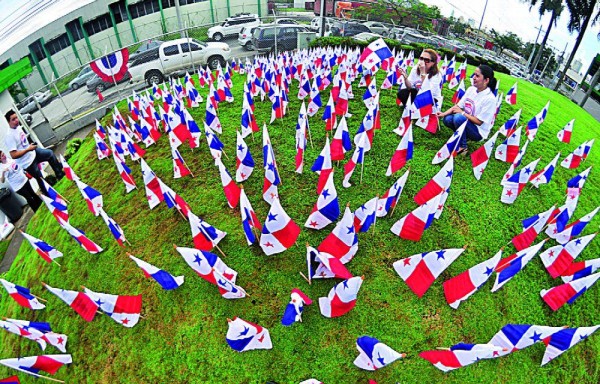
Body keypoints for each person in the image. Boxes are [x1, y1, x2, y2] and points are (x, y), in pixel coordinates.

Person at [437, 65, 497, 156]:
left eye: (477, 76)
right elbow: (457, 106)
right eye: (474, 75)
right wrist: (442, 114)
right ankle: (462, 136)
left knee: (458, 118)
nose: (473, 78)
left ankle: (463, 147)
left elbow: (479, 122)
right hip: (466, 122)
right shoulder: (471, 89)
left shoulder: (490, 99)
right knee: (447, 119)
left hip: (478, 131)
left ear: (486, 80)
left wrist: (462, 113)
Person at [4, 110, 65, 195]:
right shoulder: (9, 136)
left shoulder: (18, 127)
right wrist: (28, 149)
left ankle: (60, 175)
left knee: (50, 154)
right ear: (8, 122)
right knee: (40, 178)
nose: (17, 120)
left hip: (33, 153)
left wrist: (30, 146)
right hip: (27, 163)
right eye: (13, 119)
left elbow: (22, 142)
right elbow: (13, 155)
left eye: (16, 117)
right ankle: (48, 195)